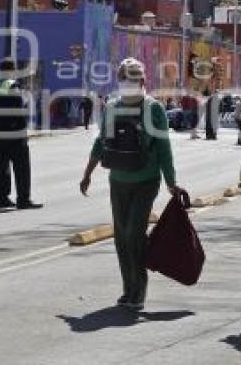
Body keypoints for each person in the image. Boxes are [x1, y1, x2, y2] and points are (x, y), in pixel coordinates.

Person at [80, 58, 178, 311]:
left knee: (134, 233)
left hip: (146, 181)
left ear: (143, 82)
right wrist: (88, 172)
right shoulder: (112, 107)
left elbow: (164, 148)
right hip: (118, 181)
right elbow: (101, 143)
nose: (128, 84)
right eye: (124, 79)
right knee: (122, 237)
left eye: (133, 79)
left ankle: (140, 289)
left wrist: (171, 182)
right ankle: (128, 289)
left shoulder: (153, 109)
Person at [0, 57, 43, 210]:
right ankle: (23, 199)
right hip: (15, 132)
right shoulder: (12, 85)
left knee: (1, 166)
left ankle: (2, 198)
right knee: (21, 166)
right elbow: (19, 106)